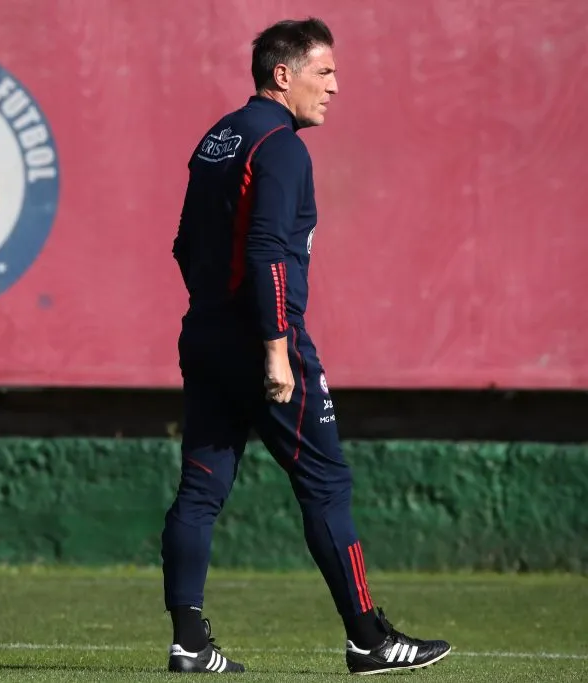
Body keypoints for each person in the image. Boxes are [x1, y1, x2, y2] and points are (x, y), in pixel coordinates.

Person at [161, 17, 452, 675]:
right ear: (282, 74)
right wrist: (274, 347)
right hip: (265, 340)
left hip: (205, 334)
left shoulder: (219, 137)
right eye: (324, 71)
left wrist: (215, 311)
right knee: (326, 483)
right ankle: (369, 639)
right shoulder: (282, 147)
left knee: (201, 490)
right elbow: (267, 250)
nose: (335, 86)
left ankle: (189, 643)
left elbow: (183, 245)